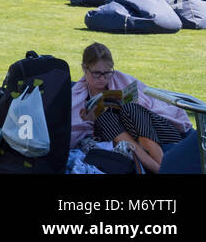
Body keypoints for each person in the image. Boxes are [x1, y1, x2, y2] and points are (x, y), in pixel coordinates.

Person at [71, 42, 191, 173]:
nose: (102, 78)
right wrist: (89, 120)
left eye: (107, 73)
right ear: (84, 68)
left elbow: (151, 103)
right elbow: (76, 130)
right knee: (104, 118)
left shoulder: (122, 80)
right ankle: (161, 170)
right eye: (96, 73)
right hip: (120, 138)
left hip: (153, 129)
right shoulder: (77, 95)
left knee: (130, 108)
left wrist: (133, 102)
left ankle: (163, 168)